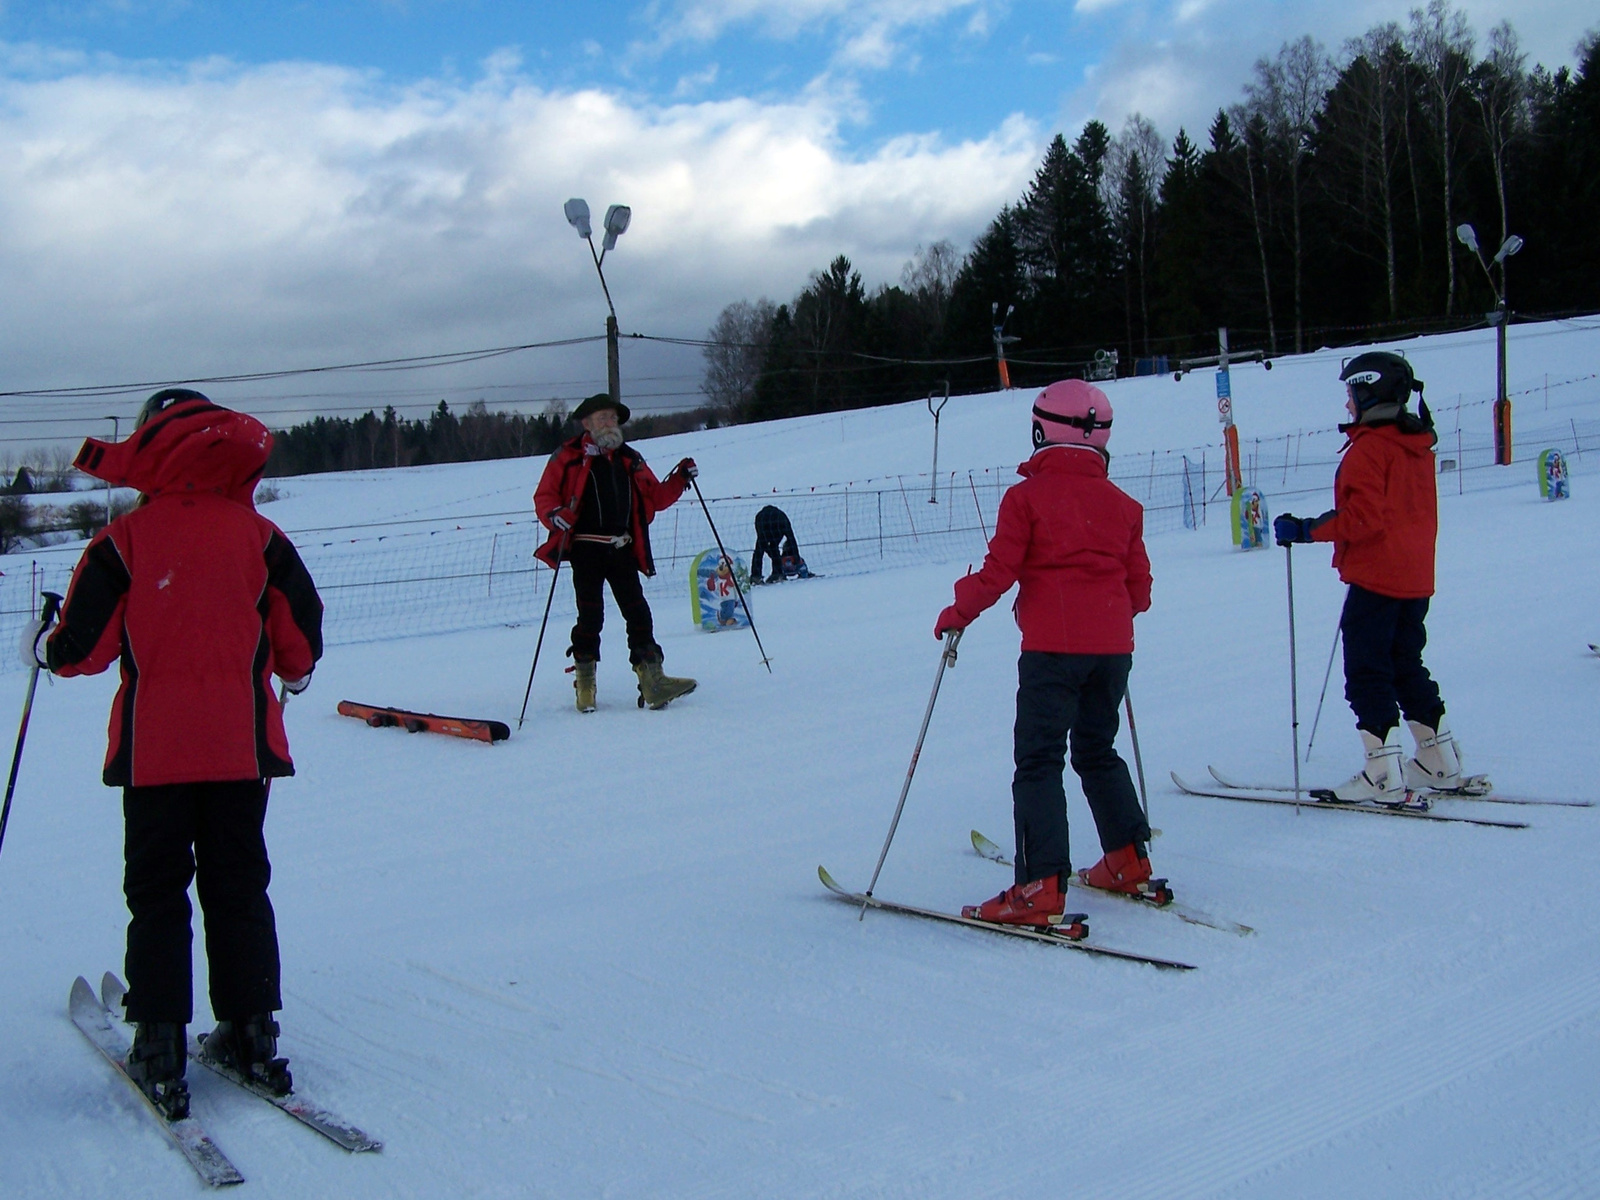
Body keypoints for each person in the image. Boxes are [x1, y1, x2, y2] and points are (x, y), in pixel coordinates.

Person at [21, 390, 323, 1120]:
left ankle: (158, 1045)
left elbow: (79, 652)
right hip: (241, 746)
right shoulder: (261, 536)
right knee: (238, 885)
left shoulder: (124, 540)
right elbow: (301, 638)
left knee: (157, 892)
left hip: (156, 749)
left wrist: (43, 644)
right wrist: (294, 672)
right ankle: (252, 1035)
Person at [933, 379, 1156, 928]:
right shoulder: (1124, 505)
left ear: (1041, 430)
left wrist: (956, 612)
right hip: (1112, 652)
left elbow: (999, 572)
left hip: (1053, 652)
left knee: (1039, 759)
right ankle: (1127, 860)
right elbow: (1141, 590)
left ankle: (1039, 887)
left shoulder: (1026, 498)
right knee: (1097, 750)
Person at [1275, 352, 1481, 802]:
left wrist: (1308, 530)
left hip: (1378, 576)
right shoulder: (1415, 442)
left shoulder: (1371, 447)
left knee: (1367, 670)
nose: (1347, 405)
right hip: (1415, 575)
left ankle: (1382, 773)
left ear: (1369, 392)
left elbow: (1364, 518)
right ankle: (1438, 759)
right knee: (1405, 662)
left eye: (1351, 394)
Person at [534, 393, 699, 712]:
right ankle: (585, 686)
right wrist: (554, 514)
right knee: (590, 616)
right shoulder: (567, 456)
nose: (608, 423)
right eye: (601, 418)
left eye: (612, 418)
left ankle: (653, 682)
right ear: (586, 424)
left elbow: (656, 497)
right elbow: (545, 496)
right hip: (585, 548)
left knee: (638, 613)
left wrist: (680, 479)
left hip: (622, 548)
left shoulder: (629, 458)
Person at [751, 505, 800, 584]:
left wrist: (774, 556)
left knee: (760, 549)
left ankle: (756, 576)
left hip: (763, 521)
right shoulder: (784, 521)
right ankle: (777, 574)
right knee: (770, 547)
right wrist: (797, 558)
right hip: (769, 521)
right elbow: (792, 539)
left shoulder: (782, 520)